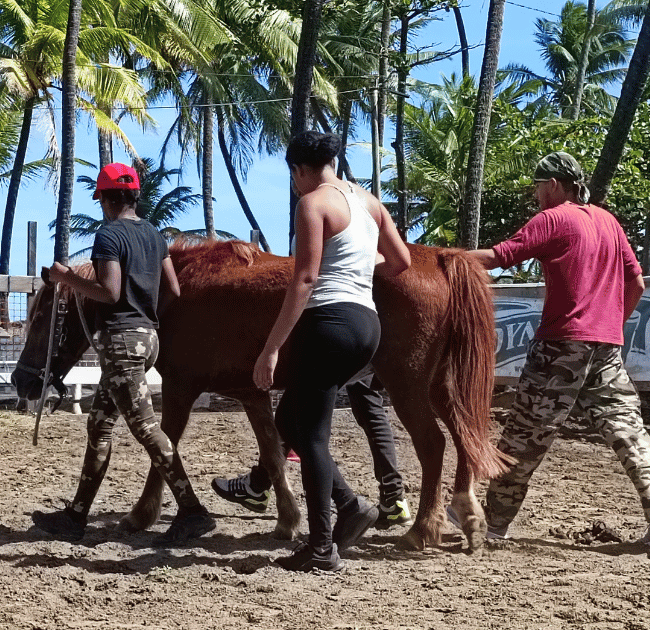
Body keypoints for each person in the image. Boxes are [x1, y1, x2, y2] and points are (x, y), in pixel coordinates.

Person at [462, 151, 650, 547]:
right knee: (629, 432)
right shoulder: (608, 221)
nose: (535, 195)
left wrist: (440, 257)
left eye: (537, 186)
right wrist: (612, 324)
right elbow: (638, 283)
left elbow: (498, 257)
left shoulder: (553, 218)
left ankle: (493, 524)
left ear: (554, 184)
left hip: (561, 344)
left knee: (525, 434)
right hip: (605, 346)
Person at [31, 162, 216, 547]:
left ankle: (192, 510)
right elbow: (175, 291)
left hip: (121, 343)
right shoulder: (154, 234)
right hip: (148, 339)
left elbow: (110, 293)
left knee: (146, 428)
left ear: (106, 198)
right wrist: (144, 310)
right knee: (99, 425)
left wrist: (65, 278)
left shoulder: (109, 235)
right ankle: (76, 516)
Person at [254, 130, 410, 572]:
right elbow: (400, 262)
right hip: (367, 325)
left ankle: (322, 546)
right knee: (290, 420)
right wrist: (361, 263)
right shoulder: (369, 202)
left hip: (328, 322)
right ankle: (351, 504)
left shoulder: (314, 203)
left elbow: (305, 279)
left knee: (315, 437)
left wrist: (271, 347)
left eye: (293, 177)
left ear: (299, 170)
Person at [211, 371, 413, 529]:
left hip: (337, 327)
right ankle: (393, 497)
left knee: (297, 403)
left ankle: (258, 485)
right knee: (368, 402)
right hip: (371, 327)